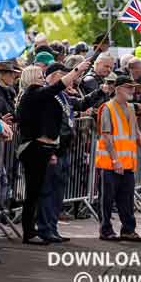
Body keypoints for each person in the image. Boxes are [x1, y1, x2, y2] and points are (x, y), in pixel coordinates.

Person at [15, 59, 91, 244]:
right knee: (34, 193)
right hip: (34, 150)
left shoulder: (38, 96)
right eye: (40, 76)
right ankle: (29, 232)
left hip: (44, 149)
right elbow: (56, 87)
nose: (43, 79)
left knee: (37, 191)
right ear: (31, 78)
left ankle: (36, 230)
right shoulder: (32, 94)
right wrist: (77, 70)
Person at [96, 75, 141, 242]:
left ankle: (128, 230)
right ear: (118, 88)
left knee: (127, 199)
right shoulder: (107, 108)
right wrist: (115, 160)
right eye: (129, 87)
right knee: (107, 199)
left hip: (127, 164)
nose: (132, 90)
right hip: (110, 164)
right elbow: (106, 137)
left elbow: (135, 131)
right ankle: (105, 230)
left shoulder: (129, 108)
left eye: (133, 87)